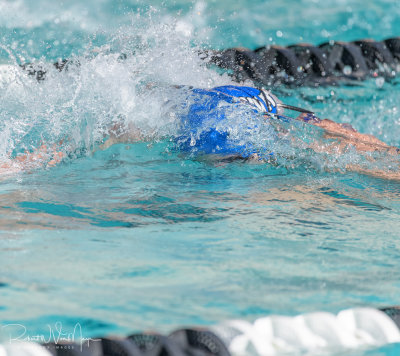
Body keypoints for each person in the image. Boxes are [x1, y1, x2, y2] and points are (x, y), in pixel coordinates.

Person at [3, 85, 400, 179]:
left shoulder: (162, 110)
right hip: (227, 131)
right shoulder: (263, 103)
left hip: (216, 137)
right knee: (321, 151)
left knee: (306, 155)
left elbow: (81, 140)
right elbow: (331, 128)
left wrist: (25, 163)